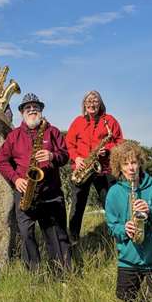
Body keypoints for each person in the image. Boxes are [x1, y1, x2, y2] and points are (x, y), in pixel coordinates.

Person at [0, 93, 71, 271]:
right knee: (26, 235)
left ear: (41, 111)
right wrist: (16, 178)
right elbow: (1, 161)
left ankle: (62, 274)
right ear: (21, 112)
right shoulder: (14, 136)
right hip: (25, 192)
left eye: (35, 107)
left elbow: (65, 156)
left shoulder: (52, 132)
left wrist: (53, 156)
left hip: (51, 193)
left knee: (57, 236)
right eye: (27, 108)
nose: (32, 110)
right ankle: (34, 275)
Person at [104, 141, 152, 302]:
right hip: (129, 260)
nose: (131, 168)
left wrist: (151, 211)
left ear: (140, 163)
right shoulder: (114, 192)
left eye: (134, 162)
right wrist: (124, 229)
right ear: (119, 167)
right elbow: (111, 227)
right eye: (126, 164)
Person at [65, 90, 123, 244]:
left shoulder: (110, 121)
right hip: (82, 169)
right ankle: (73, 240)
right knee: (77, 207)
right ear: (84, 104)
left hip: (104, 169)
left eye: (95, 101)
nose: (92, 104)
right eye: (88, 101)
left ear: (100, 104)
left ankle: (118, 238)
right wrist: (76, 158)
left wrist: (108, 148)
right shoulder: (77, 121)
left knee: (110, 205)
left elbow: (119, 142)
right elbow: (69, 144)